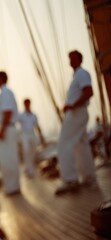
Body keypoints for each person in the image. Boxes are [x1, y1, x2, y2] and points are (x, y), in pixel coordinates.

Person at [55, 50, 97, 195]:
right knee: (81, 144)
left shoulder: (81, 74)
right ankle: (89, 176)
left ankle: (70, 179)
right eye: (69, 59)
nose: (70, 61)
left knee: (64, 143)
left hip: (77, 112)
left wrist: (73, 105)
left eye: (73, 58)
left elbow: (89, 92)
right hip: (78, 112)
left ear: (80, 59)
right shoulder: (77, 76)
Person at [0, 71, 20, 195]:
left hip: (7, 129)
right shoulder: (6, 93)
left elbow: (8, 112)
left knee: (7, 158)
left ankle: (12, 187)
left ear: (1, 79)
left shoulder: (5, 93)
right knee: (9, 158)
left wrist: (2, 129)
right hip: (9, 128)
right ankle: (12, 186)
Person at [18, 98, 45, 178]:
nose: (27, 105)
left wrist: (41, 136)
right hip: (25, 135)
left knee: (33, 151)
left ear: (30, 104)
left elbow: (37, 126)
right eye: (26, 104)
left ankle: (29, 167)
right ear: (24, 105)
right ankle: (29, 171)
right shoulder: (21, 116)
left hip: (32, 134)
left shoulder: (34, 115)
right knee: (27, 151)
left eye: (28, 104)